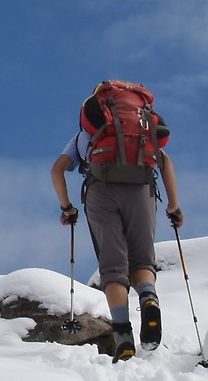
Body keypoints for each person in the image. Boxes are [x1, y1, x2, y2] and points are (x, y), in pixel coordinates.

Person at [50, 82, 184, 359]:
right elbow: (165, 162)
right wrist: (174, 205)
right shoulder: (143, 130)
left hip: (100, 191)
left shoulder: (85, 135)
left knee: (113, 267)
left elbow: (57, 170)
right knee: (142, 260)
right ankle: (148, 296)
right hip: (141, 188)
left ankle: (123, 335)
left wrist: (67, 207)